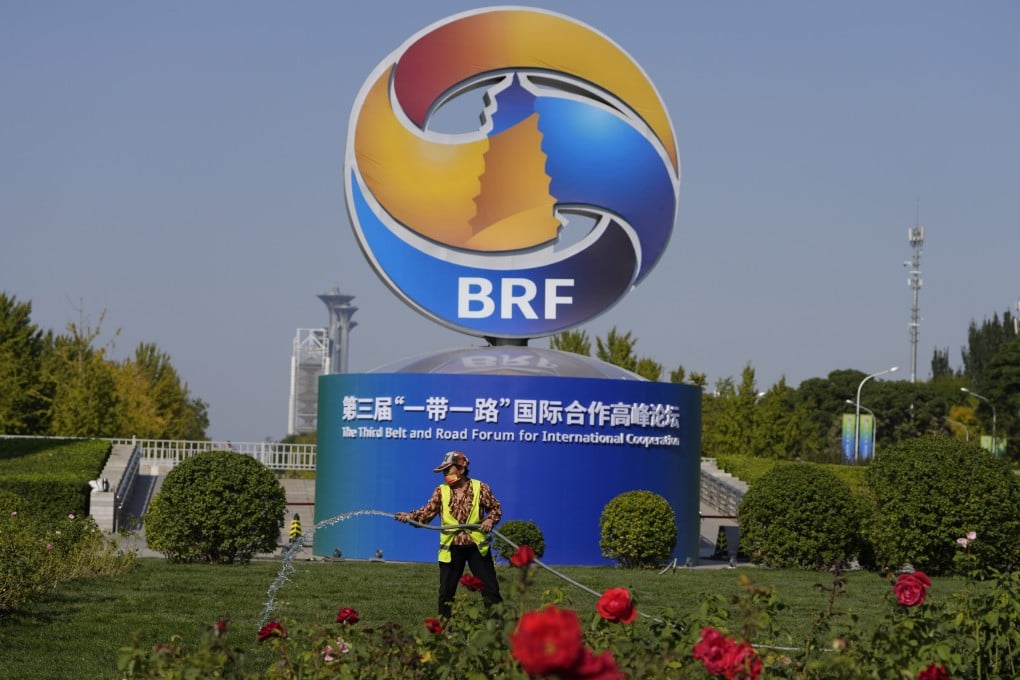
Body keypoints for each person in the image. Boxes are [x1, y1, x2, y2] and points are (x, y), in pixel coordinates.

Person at [395, 450, 503, 618]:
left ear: (461, 469)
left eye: (448, 470)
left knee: (490, 590)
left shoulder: (481, 487)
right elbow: (426, 514)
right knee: (446, 593)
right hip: (451, 549)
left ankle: (498, 627)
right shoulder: (441, 491)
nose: (445, 474)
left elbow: (495, 508)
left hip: (477, 547)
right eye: (443, 471)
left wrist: (490, 520)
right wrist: (410, 517)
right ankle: (445, 631)